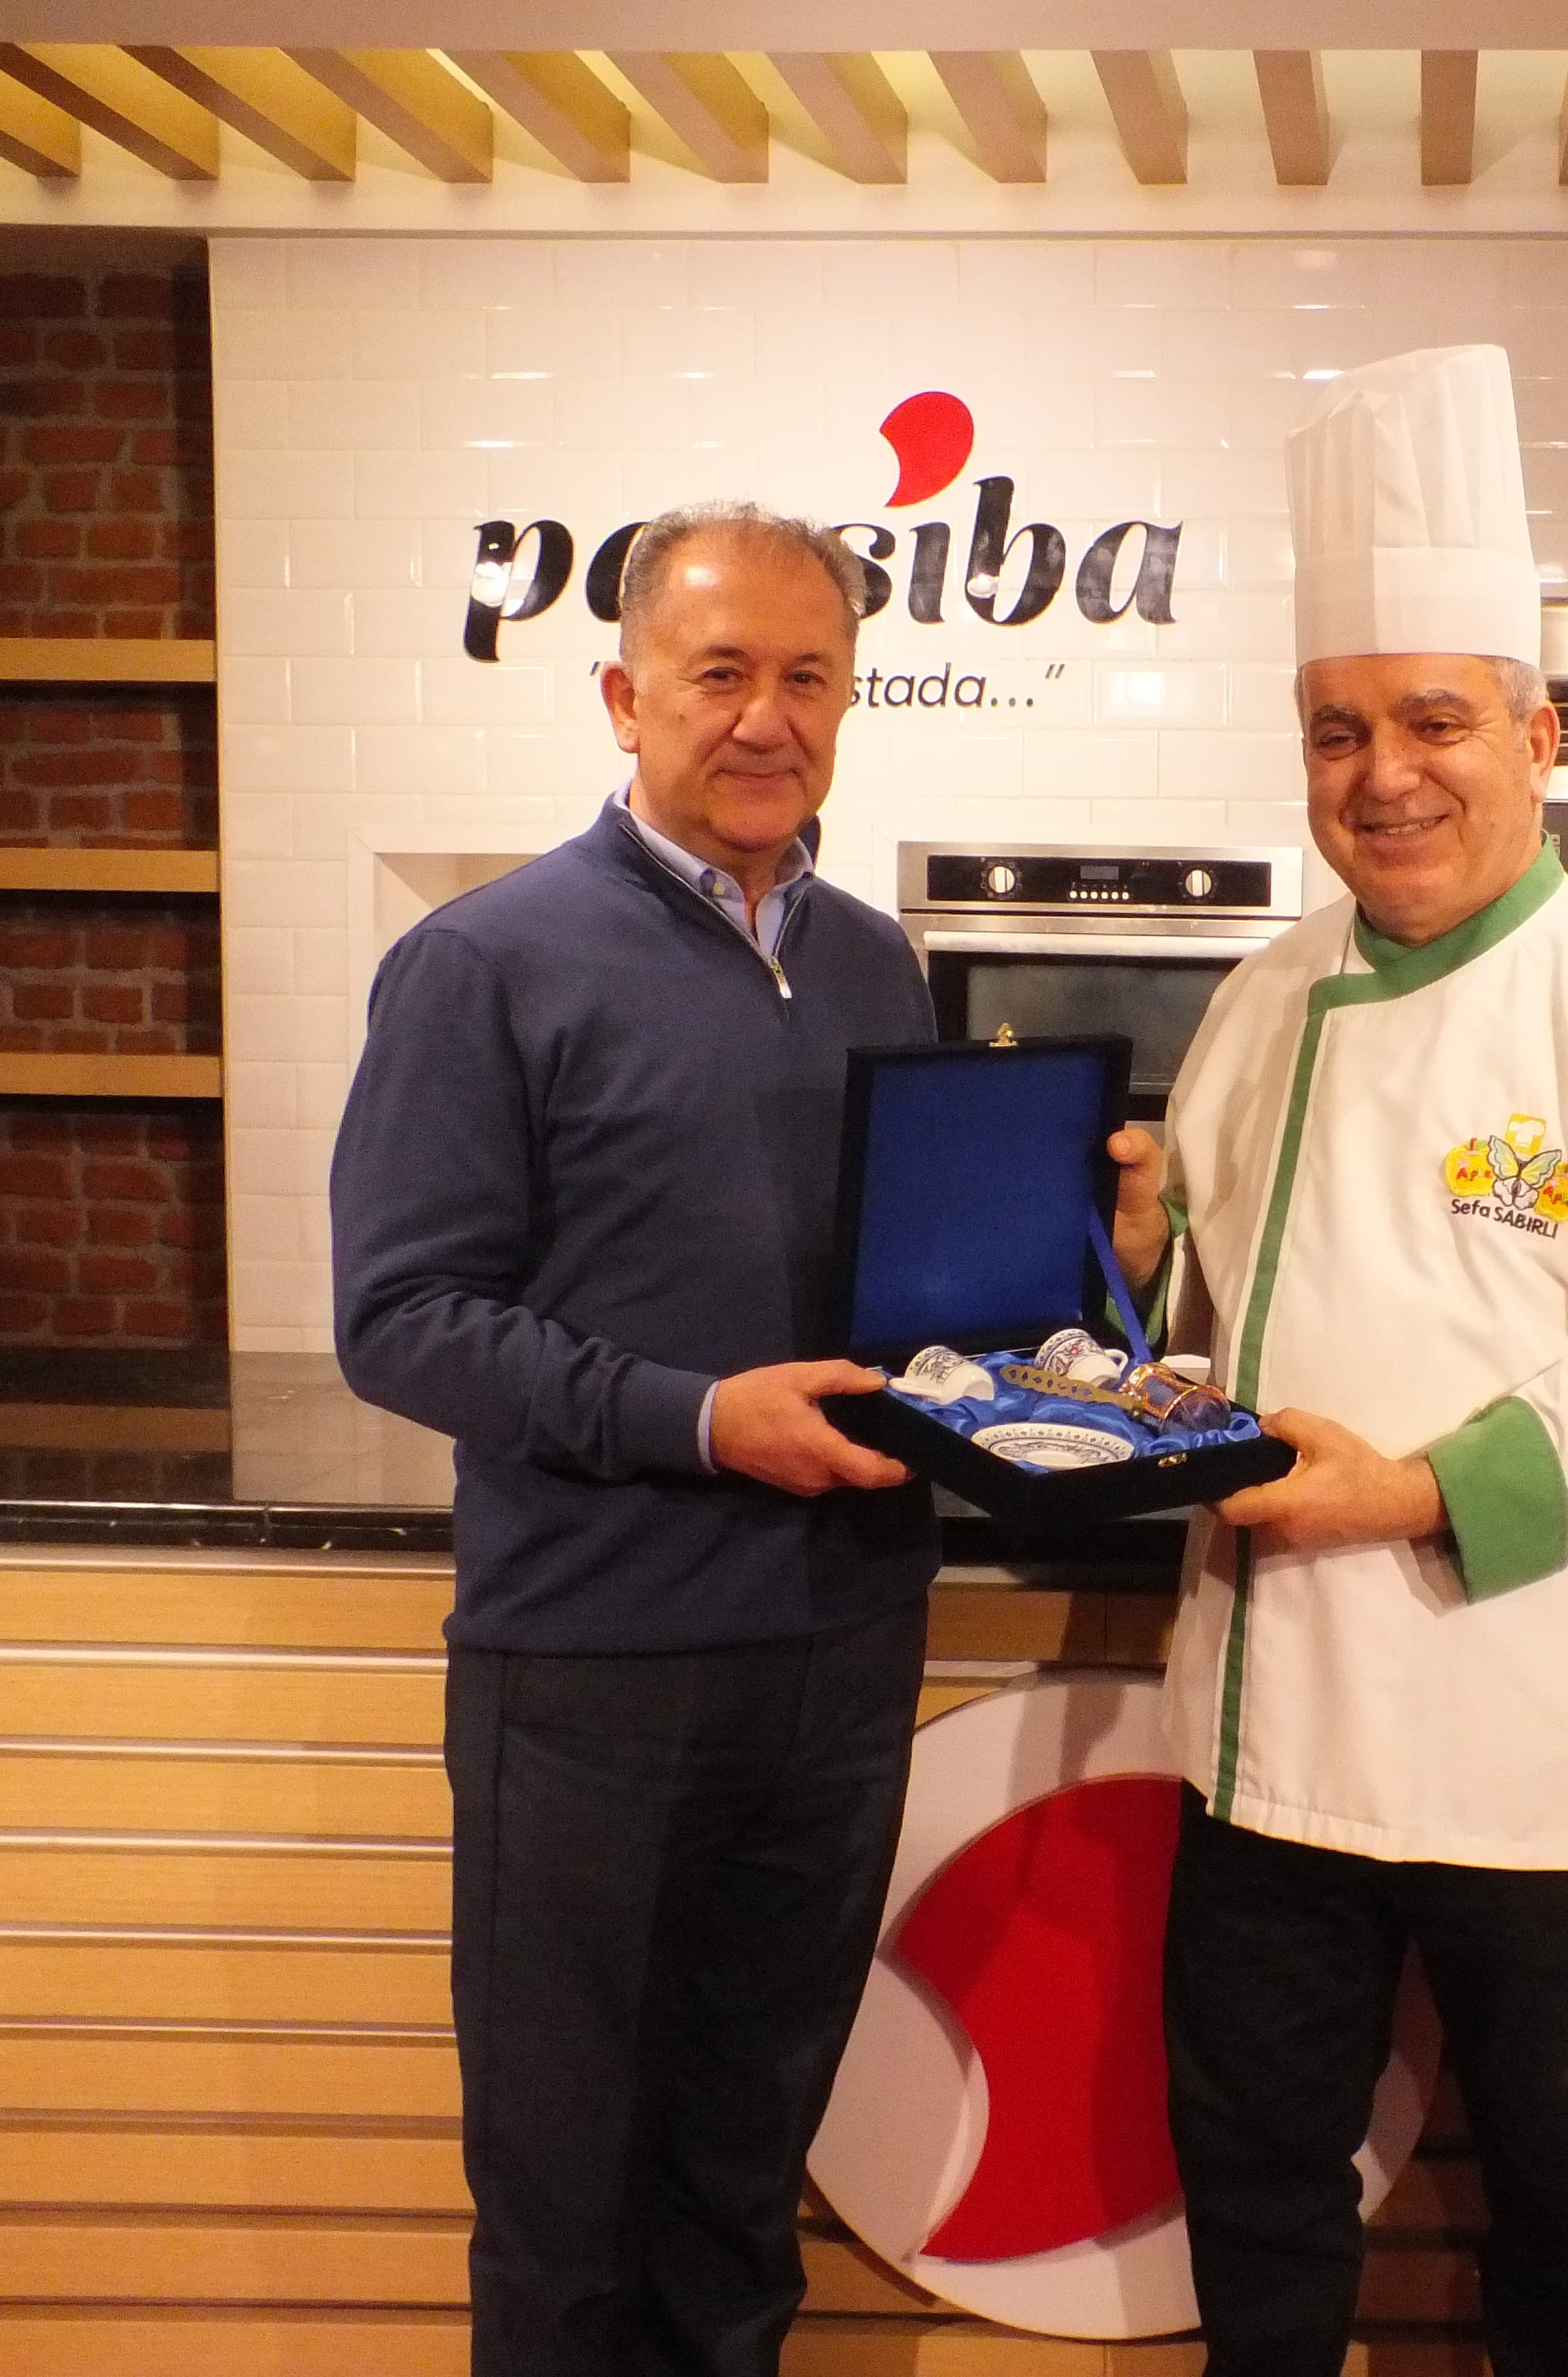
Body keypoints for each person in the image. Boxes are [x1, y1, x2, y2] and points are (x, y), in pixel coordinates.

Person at [1105, 345, 1568, 2377]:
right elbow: (1206, 1326)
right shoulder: (1260, 998)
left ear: (1537, 735)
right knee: (1260, 2225)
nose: (1383, 774)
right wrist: (1131, 1277)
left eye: (1432, 721)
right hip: (1261, 1750)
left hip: (1525, 1754)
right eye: (1338, 730)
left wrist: (1396, 1490)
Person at [331, 501, 935, 2377]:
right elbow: (401, 1319)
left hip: (841, 1653)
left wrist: (1087, 1264)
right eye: (720, 674)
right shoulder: (486, 961)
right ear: (623, 697)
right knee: (567, 2208)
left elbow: (898, 1295)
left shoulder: (875, 961)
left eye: (809, 677)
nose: (768, 718)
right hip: (596, 1666)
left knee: (742, 2193)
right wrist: (699, 1422)